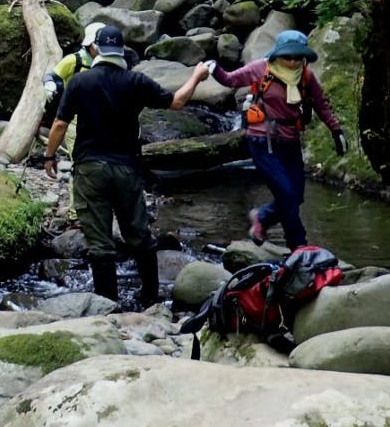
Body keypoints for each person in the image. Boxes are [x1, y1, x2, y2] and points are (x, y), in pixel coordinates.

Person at [44, 25, 209, 305]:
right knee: (139, 235)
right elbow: (177, 102)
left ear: (95, 49)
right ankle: (149, 299)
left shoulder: (80, 82)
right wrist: (196, 76)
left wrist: (49, 156)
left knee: (99, 241)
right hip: (126, 168)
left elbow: (60, 123)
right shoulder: (135, 81)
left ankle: (107, 303)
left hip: (90, 167)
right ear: (121, 51)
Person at [206, 29, 347, 250]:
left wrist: (336, 131)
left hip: (290, 142)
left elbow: (321, 105)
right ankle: (298, 246)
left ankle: (263, 218)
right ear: (277, 54)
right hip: (263, 141)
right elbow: (230, 80)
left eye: (298, 57)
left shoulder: (306, 76)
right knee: (287, 195)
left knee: (296, 196)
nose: (292, 62)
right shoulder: (260, 69)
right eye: (287, 56)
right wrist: (214, 68)